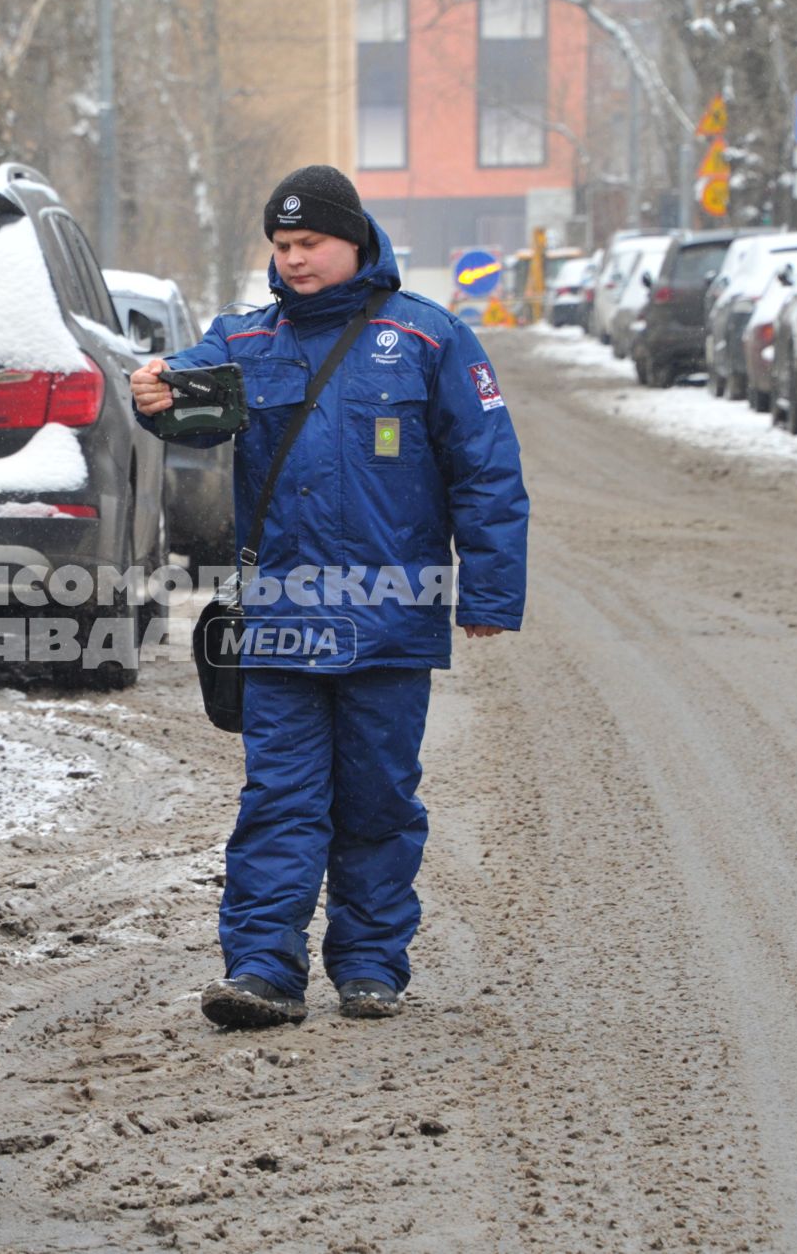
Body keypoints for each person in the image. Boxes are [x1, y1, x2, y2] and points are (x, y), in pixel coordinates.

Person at [131, 165, 529, 1028]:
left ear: (356, 239)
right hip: (279, 621)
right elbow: (184, 398)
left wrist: (490, 590)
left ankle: (369, 965)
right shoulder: (246, 341)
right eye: (281, 246)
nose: (295, 260)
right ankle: (263, 969)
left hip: (391, 617)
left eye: (310, 243)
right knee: (279, 796)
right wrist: (155, 389)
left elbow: (488, 471)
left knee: (378, 798)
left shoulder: (430, 339)